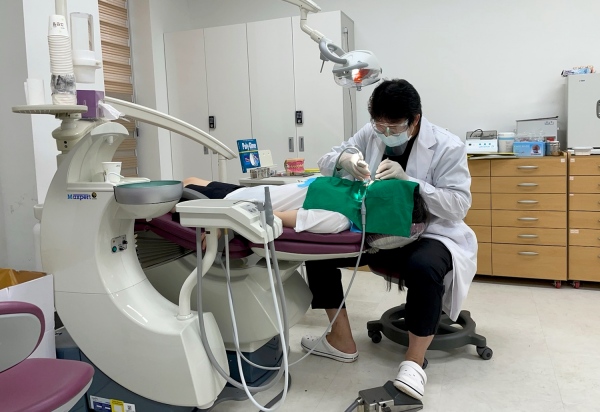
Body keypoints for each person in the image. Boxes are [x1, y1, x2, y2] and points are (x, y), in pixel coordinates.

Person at [300, 79, 477, 401]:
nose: (385, 133)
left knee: (424, 267)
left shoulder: (447, 146)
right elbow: (328, 160)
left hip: (430, 232)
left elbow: (458, 205)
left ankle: (414, 362)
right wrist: (344, 161)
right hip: (377, 229)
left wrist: (412, 183)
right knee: (317, 252)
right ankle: (341, 340)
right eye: (379, 125)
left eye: (393, 127)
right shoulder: (371, 133)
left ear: (415, 120)